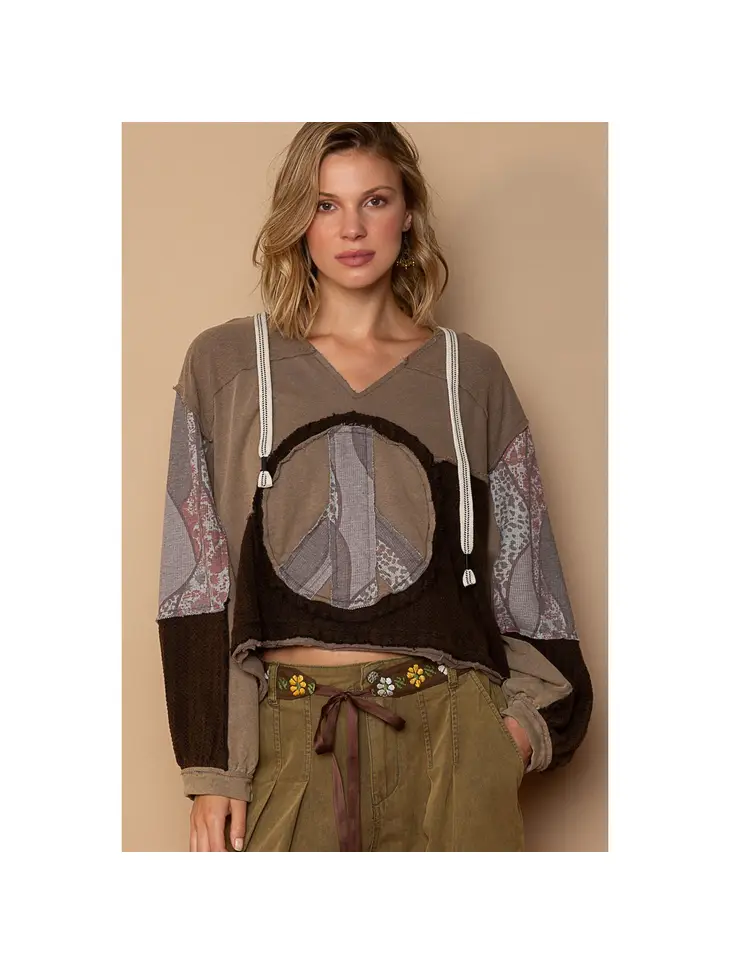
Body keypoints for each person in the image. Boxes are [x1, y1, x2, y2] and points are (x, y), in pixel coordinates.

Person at [156, 122, 593, 852]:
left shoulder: (470, 374)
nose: (352, 228)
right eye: (325, 205)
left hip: (454, 739)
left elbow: (529, 570)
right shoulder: (228, 365)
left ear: (407, 213)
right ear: (297, 221)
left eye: (375, 200)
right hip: (288, 739)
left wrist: (514, 734)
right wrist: (212, 767)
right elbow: (197, 582)